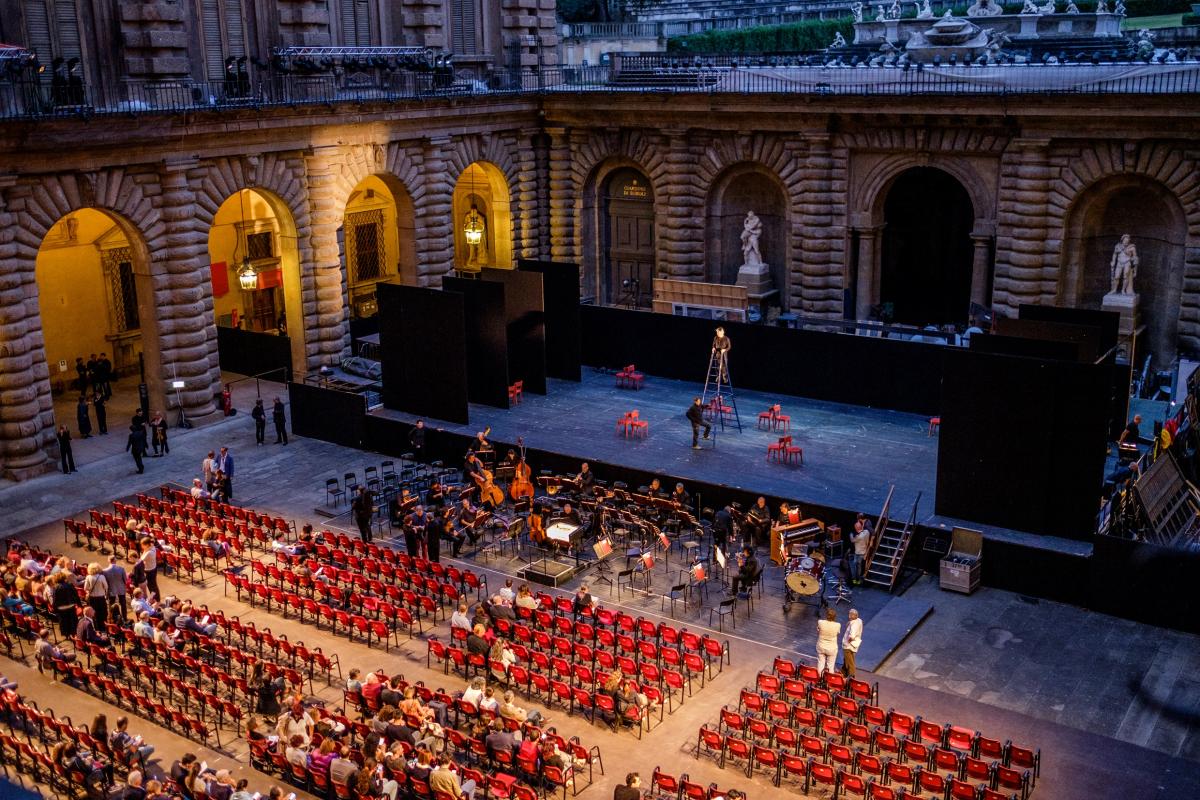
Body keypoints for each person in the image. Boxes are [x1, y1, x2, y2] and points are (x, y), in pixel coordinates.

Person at [52, 574, 79, 638]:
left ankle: (66, 635)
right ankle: (73, 634)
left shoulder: (55, 587)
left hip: (61, 608)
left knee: (64, 622)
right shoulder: (69, 585)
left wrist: (55, 608)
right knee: (72, 621)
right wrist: (78, 604)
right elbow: (75, 595)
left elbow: (55, 599)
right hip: (70, 605)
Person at [816, 606, 841, 675]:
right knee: (831, 665)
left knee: (821, 663)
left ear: (826, 615)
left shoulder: (820, 622)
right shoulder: (838, 625)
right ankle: (829, 681)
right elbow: (837, 633)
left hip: (821, 646)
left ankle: (820, 678)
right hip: (832, 648)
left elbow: (818, 630)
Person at [83, 562, 109, 628]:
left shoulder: (88, 577)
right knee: (103, 613)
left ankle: (96, 627)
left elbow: (85, 588)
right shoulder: (102, 577)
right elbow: (106, 587)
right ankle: (103, 627)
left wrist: (91, 589)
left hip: (92, 598)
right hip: (101, 598)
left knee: (94, 614)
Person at [103, 555, 128, 621]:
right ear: (115, 561)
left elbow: (105, 581)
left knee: (111, 604)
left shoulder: (104, 571)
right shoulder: (121, 569)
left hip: (111, 589)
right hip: (121, 589)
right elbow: (125, 580)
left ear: (109, 561)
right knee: (123, 604)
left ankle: (113, 618)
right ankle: (124, 618)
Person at [841, 608, 863, 679]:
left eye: (850, 614)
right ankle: (843, 672)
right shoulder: (858, 620)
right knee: (847, 659)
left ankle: (851, 676)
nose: (849, 615)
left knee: (850, 661)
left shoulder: (854, 624)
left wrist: (847, 642)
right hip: (853, 645)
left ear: (853, 615)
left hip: (849, 646)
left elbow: (852, 636)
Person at [850, 518, 871, 586]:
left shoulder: (859, 536)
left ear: (856, 528)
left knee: (856, 566)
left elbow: (852, 540)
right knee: (860, 566)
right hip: (864, 551)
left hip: (858, 553)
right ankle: (858, 579)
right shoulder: (867, 532)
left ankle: (855, 579)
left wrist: (850, 535)